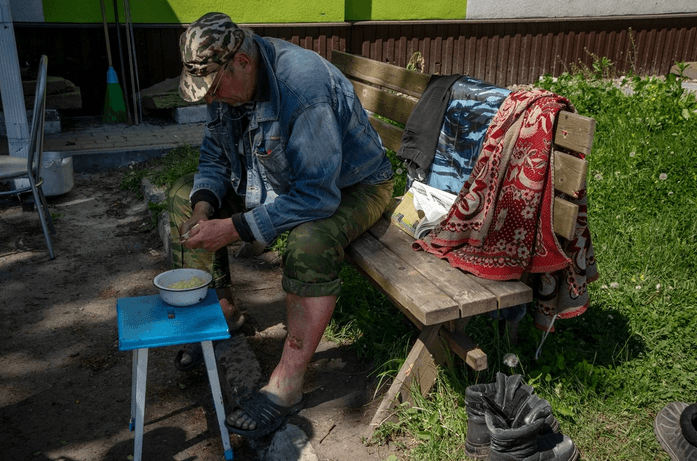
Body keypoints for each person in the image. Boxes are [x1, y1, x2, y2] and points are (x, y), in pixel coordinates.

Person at [169, 12, 394, 438]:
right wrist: (203, 207)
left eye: (215, 89)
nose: (212, 101)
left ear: (243, 62)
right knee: (184, 195)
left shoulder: (301, 88)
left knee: (310, 242)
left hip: (352, 185)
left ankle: (286, 386)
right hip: (283, 180)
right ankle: (224, 312)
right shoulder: (229, 85)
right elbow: (216, 156)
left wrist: (235, 227)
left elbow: (317, 196)